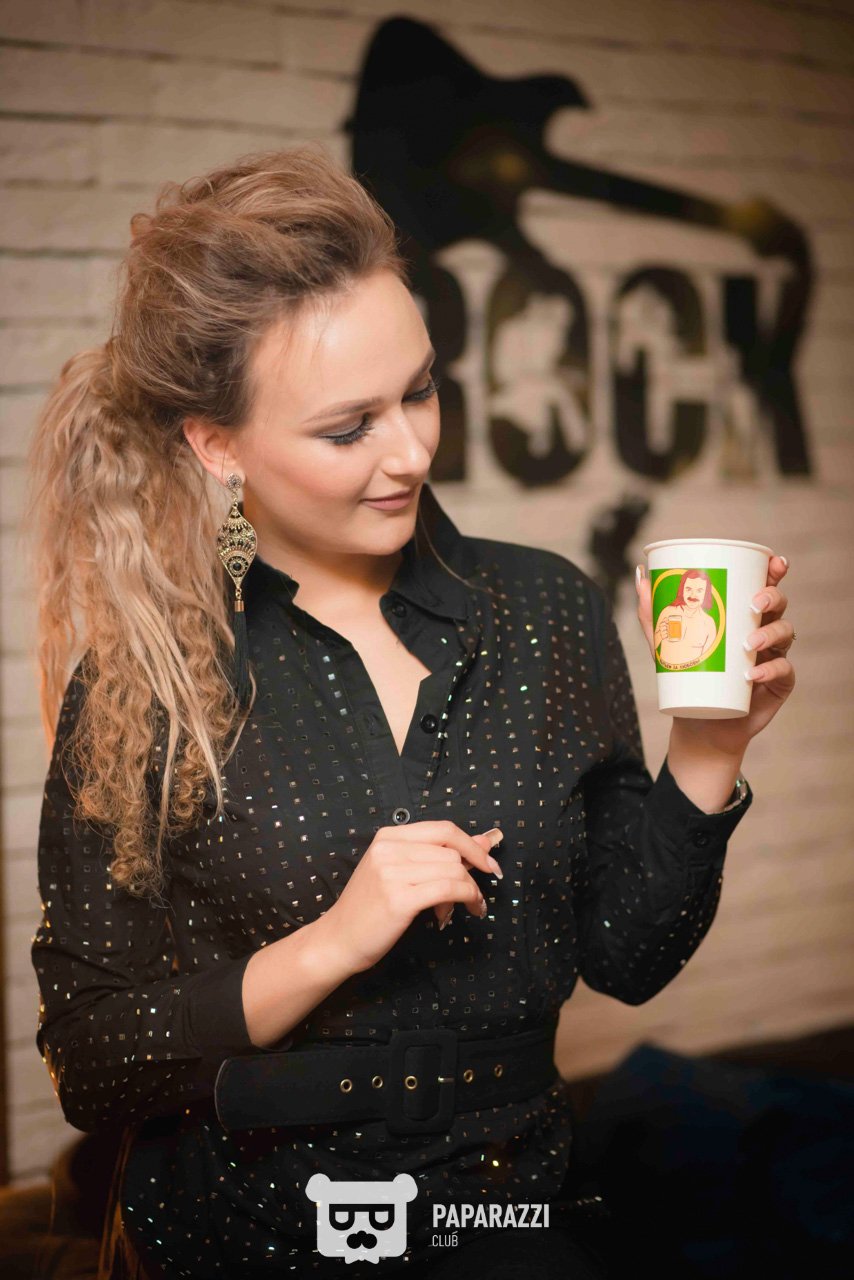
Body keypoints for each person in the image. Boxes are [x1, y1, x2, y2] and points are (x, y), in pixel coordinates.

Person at [25, 145, 796, 1280]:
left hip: (503, 1223)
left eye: (421, 390)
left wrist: (711, 749)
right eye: (349, 428)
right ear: (217, 444)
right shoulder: (147, 675)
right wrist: (331, 942)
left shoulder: (546, 607)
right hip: (242, 1238)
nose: (413, 451)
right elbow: (93, 1061)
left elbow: (626, 956)